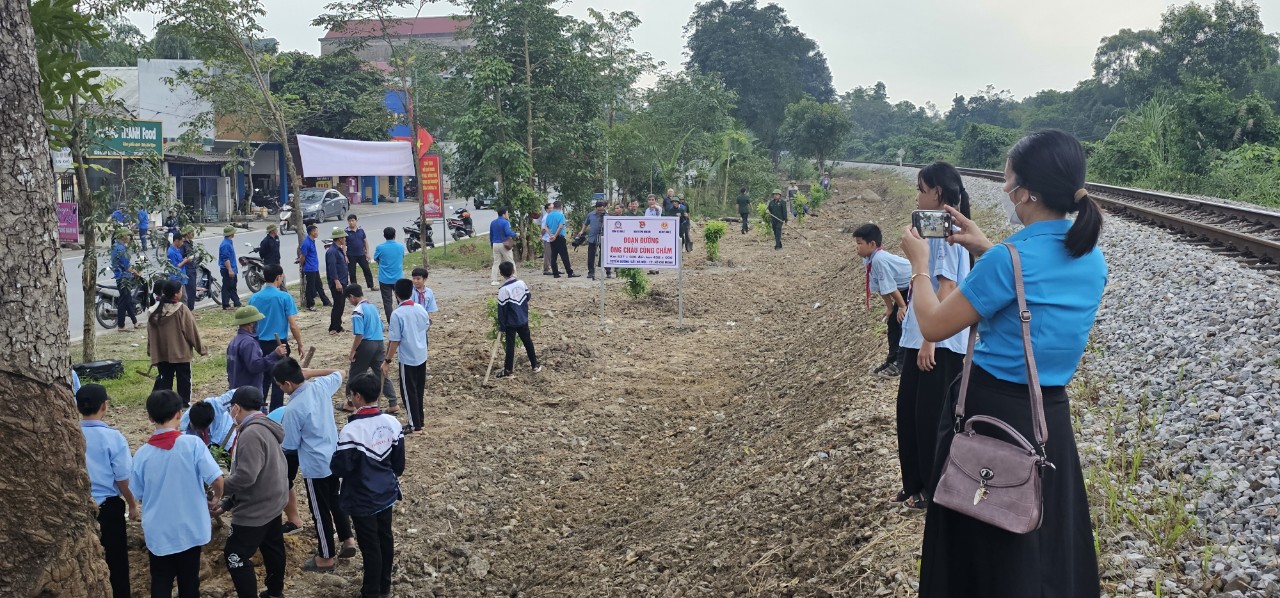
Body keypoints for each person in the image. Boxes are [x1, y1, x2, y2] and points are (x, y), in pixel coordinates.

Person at [901, 129, 1104, 597]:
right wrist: (983, 246)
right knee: (1040, 533)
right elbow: (1029, 284)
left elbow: (933, 325)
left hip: (991, 413)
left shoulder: (1008, 260)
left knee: (982, 532)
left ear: (1027, 191)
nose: (1005, 187)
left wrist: (919, 262)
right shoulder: (1091, 257)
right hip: (1048, 413)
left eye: (1008, 179)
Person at [892, 162, 972, 510]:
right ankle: (914, 483)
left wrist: (930, 341)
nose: (917, 196)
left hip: (936, 343)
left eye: (922, 189)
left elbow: (948, 287)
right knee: (909, 413)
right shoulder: (933, 232)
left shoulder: (945, 234)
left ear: (937, 192)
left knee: (927, 419)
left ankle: (928, 487)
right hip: (922, 337)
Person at [132, 389, 225, 598]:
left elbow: (138, 493)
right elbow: (217, 479)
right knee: (189, 580)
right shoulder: (192, 445)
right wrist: (217, 497)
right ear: (179, 414)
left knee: (161, 579)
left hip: (159, 530)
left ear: (149, 417)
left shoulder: (141, 455)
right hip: (189, 528)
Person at [273, 358, 356, 571]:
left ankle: (326, 556)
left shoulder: (293, 409)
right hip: (334, 457)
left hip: (315, 465)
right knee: (336, 500)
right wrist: (310, 373)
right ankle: (348, 539)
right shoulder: (321, 386)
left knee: (319, 511)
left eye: (280, 386)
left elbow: (290, 444)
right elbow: (340, 371)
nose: (281, 390)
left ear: (287, 385)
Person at [330, 373, 406, 598]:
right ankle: (384, 586)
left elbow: (341, 468)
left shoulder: (352, 430)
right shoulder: (392, 423)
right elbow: (399, 465)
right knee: (385, 537)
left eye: (351, 395)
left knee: (370, 545)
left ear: (357, 397)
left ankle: (370, 591)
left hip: (363, 497)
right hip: (386, 492)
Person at [214, 386, 289, 598]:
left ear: (236, 408)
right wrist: (228, 502)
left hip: (256, 508)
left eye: (231, 410)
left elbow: (246, 477)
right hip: (273, 499)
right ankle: (275, 592)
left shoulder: (251, 434)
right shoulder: (266, 426)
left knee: (234, 555)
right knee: (272, 545)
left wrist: (219, 488)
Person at [77, 384, 138, 598]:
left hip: (76, 508)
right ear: (104, 406)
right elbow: (122, 479)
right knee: (116, 562)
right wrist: (132, 503)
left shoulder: (69, 433)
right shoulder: (113, 437)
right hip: (108, 508)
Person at [854, 224, 911, 378]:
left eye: (860, 243)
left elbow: (891, 286)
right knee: (892, 322)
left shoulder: (879, 259)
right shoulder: (868, 259)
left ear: (872, 244)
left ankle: (901, 365)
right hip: (900, 289)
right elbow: (880, 286)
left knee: (904, 323)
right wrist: (890, 308)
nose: (857, 247)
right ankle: (892, 359)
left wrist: (902, 306)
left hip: (912, 284)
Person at [248, 264, 305, 411]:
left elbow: (250, 323)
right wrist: (300, 344)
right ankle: (276, 411)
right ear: (278, 277)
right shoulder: (284, 297)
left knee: (263, 380)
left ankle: (258, 410)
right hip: (279, 345)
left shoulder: (254, 298)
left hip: (259, 344)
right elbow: (293, 325)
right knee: (279, 382)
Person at [148, 280, 207, 407]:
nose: (181, 293)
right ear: (176, 294)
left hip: (161, 354)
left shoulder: (153, 311)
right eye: (180, 290)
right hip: (181, 353)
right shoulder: (181, 309)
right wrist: (201, 349)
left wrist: (151, 351)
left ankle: (166, 404)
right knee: (184, 380)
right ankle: (184, 403)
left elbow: (150, 335)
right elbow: (191, 331)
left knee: (165, 379)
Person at [383, 279, 430, 434]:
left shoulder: (397, 314)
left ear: (396, 294)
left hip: (408, 358)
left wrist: (387, 360)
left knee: (408, 392)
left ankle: (414, 425)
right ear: (411, 292)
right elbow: (427, 325)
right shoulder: (420, 309)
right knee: (418, 389)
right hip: (421, 354)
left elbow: (395, 340)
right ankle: (419, 421)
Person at [344, 285, 399, 413]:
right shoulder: (374, 307)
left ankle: (350, 403)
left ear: (352, 297)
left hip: (366, 345)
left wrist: (353, 351)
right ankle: (393, 402)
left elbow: (359, 334)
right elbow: (381, 326)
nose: (350, 302)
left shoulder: (358, 311)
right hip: (379, 343)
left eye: (349, 299)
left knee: (355, 373)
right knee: (382, 373)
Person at [495, 261, 542, 379]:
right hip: (523, 319)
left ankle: (508, 370)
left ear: (501, 274)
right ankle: (535, 364)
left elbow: (502, 310)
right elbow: (528, 296)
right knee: (528, 342)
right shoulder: (521, 283)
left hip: (511, 323)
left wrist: (502, 325)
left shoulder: (503, 290)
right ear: (513, 271)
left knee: (510, 346)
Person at [227, 306, 287, 392]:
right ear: (251, 323)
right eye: (256, 322)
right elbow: (255, 366)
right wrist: (275, 354)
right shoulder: (249, 343)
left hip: (237, 390)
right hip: (249, 393)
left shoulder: (234, 341)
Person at [109, 228, 140, 332]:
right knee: (123, 302)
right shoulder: (121, 249)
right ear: (122, 236)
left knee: (128, 300)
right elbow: (127, 267)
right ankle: (121, 325)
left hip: (119, 276)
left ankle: (135, 322)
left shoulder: (115, 246)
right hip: (124, 277)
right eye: (127, 235)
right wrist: (136, 272)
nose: (129, 237)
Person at [373, 227, 406, 321]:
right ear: (395, 235)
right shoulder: (400, 246)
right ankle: (402, 319)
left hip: (384, 278)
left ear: (384, 236)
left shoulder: (380, 247)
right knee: (401, 300)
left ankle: (391, 321)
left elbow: (376, 258)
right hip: (398, 278)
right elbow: (401, 257)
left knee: (387, 302)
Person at [299, 224, 330, 310]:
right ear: (312, 232)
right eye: (316, 231)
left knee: (319, 285)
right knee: (310, 287)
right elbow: (302, 257)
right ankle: (310, 304)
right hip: (309, 268)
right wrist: (302, 266)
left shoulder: (312, 241)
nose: (317, 233)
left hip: (314, 267)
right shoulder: (306, 243)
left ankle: (326, 301)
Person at [543, 201, 577, 278]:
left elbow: (545, 227)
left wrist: (550, 234)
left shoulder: (549, 215)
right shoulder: (561, 215)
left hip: (552, 238)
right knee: (564, 255)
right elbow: (560, 226)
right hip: (559, 237)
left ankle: (555, 273)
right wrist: (555, 235)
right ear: (560, 207)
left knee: (553, 256)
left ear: (554, 207)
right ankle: (569, 272)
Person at [326, 228, 350, 334]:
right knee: (338, 305)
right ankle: (333, 327)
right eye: (343, 237)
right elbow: (332, 268)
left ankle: (338, 325)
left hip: (343, 281)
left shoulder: (339, 250)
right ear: (339, 238)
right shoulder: (332, 251)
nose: (345, 239)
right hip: (338, 282)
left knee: (341, 304)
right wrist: (336, 281)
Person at [577, 201, 609, 280]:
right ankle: (591, 272)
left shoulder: (606, 215)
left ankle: (608, 271)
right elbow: (586, 223)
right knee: (591, 255)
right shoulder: (590, 215)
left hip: (603, 237)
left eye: (601, 210)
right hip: (592, 237)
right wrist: (582, 231)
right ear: (595, 208)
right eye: (598, 210)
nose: (600, 212)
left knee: (604, 254)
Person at [489, 208, 517, 285]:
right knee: (510, 260)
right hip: (504, 244)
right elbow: (508, 232)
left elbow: (491, 234)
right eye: (507, 213)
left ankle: (494, 279)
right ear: (504, 214)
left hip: (495, 244)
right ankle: (513, 276)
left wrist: (491, 243)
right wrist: (515, 234)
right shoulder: (505, 222)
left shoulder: (493, 222)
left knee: (496, 262)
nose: (508, 215)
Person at [346, 214, 374, 289]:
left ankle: (371, 285)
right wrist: (345, 256)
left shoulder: (361, 230)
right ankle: (354, 288)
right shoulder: (346, 232)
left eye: (353, 220)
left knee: (366, 269)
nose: (351, 222)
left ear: (356, 221)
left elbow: (365, 242)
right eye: (349, 221)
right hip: (350, 255)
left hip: (361, 254)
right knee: (352, 273)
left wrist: (367, 252)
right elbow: (344, 245)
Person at [220, 226, 242, 309]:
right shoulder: (225, 245)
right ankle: (225, 304)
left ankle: (237, 302)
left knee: (232, 286)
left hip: (232, 268)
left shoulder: (229, 242)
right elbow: (226, 259)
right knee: (227, 287)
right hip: (227, 268)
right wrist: (230, 270)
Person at [180, 225, 199, 310]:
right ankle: (189, 310)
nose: (193, 234)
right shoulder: (183, 244)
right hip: (188, 269)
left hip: (192, 267)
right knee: (190, 291)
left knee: (192, 290)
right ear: (187, 234)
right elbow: (182, 257)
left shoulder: (190, 242)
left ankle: (191, 309)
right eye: (192, 233)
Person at [539, 201, 553, 276]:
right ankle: (546, 269)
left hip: (550, 237)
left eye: (552, 207)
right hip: (547, 238)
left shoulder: (550, 216)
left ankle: (552, 267)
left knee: (550, 254)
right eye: (550, 208)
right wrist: (541, 235)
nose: (552, 209)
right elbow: (544, 228)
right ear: (547, 209)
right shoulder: (546, 217)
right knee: (547, 254)